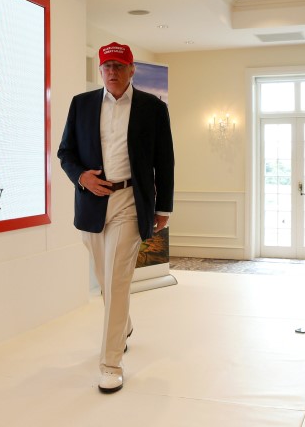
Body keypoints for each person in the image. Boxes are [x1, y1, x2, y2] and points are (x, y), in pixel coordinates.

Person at [57, 42, 175, 394]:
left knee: (117, 279)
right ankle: (122, 324)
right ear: (100, 69)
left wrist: (163, 207)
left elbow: (164, 160)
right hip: (92, 203)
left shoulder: (152, 108)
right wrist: (82, 177)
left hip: (129, 200)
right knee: (104, 276)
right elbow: (66, 152)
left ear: (132, 69)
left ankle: (110, 363)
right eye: (107, 65)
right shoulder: (82, 104)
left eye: (119, 66)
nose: (112, 71)